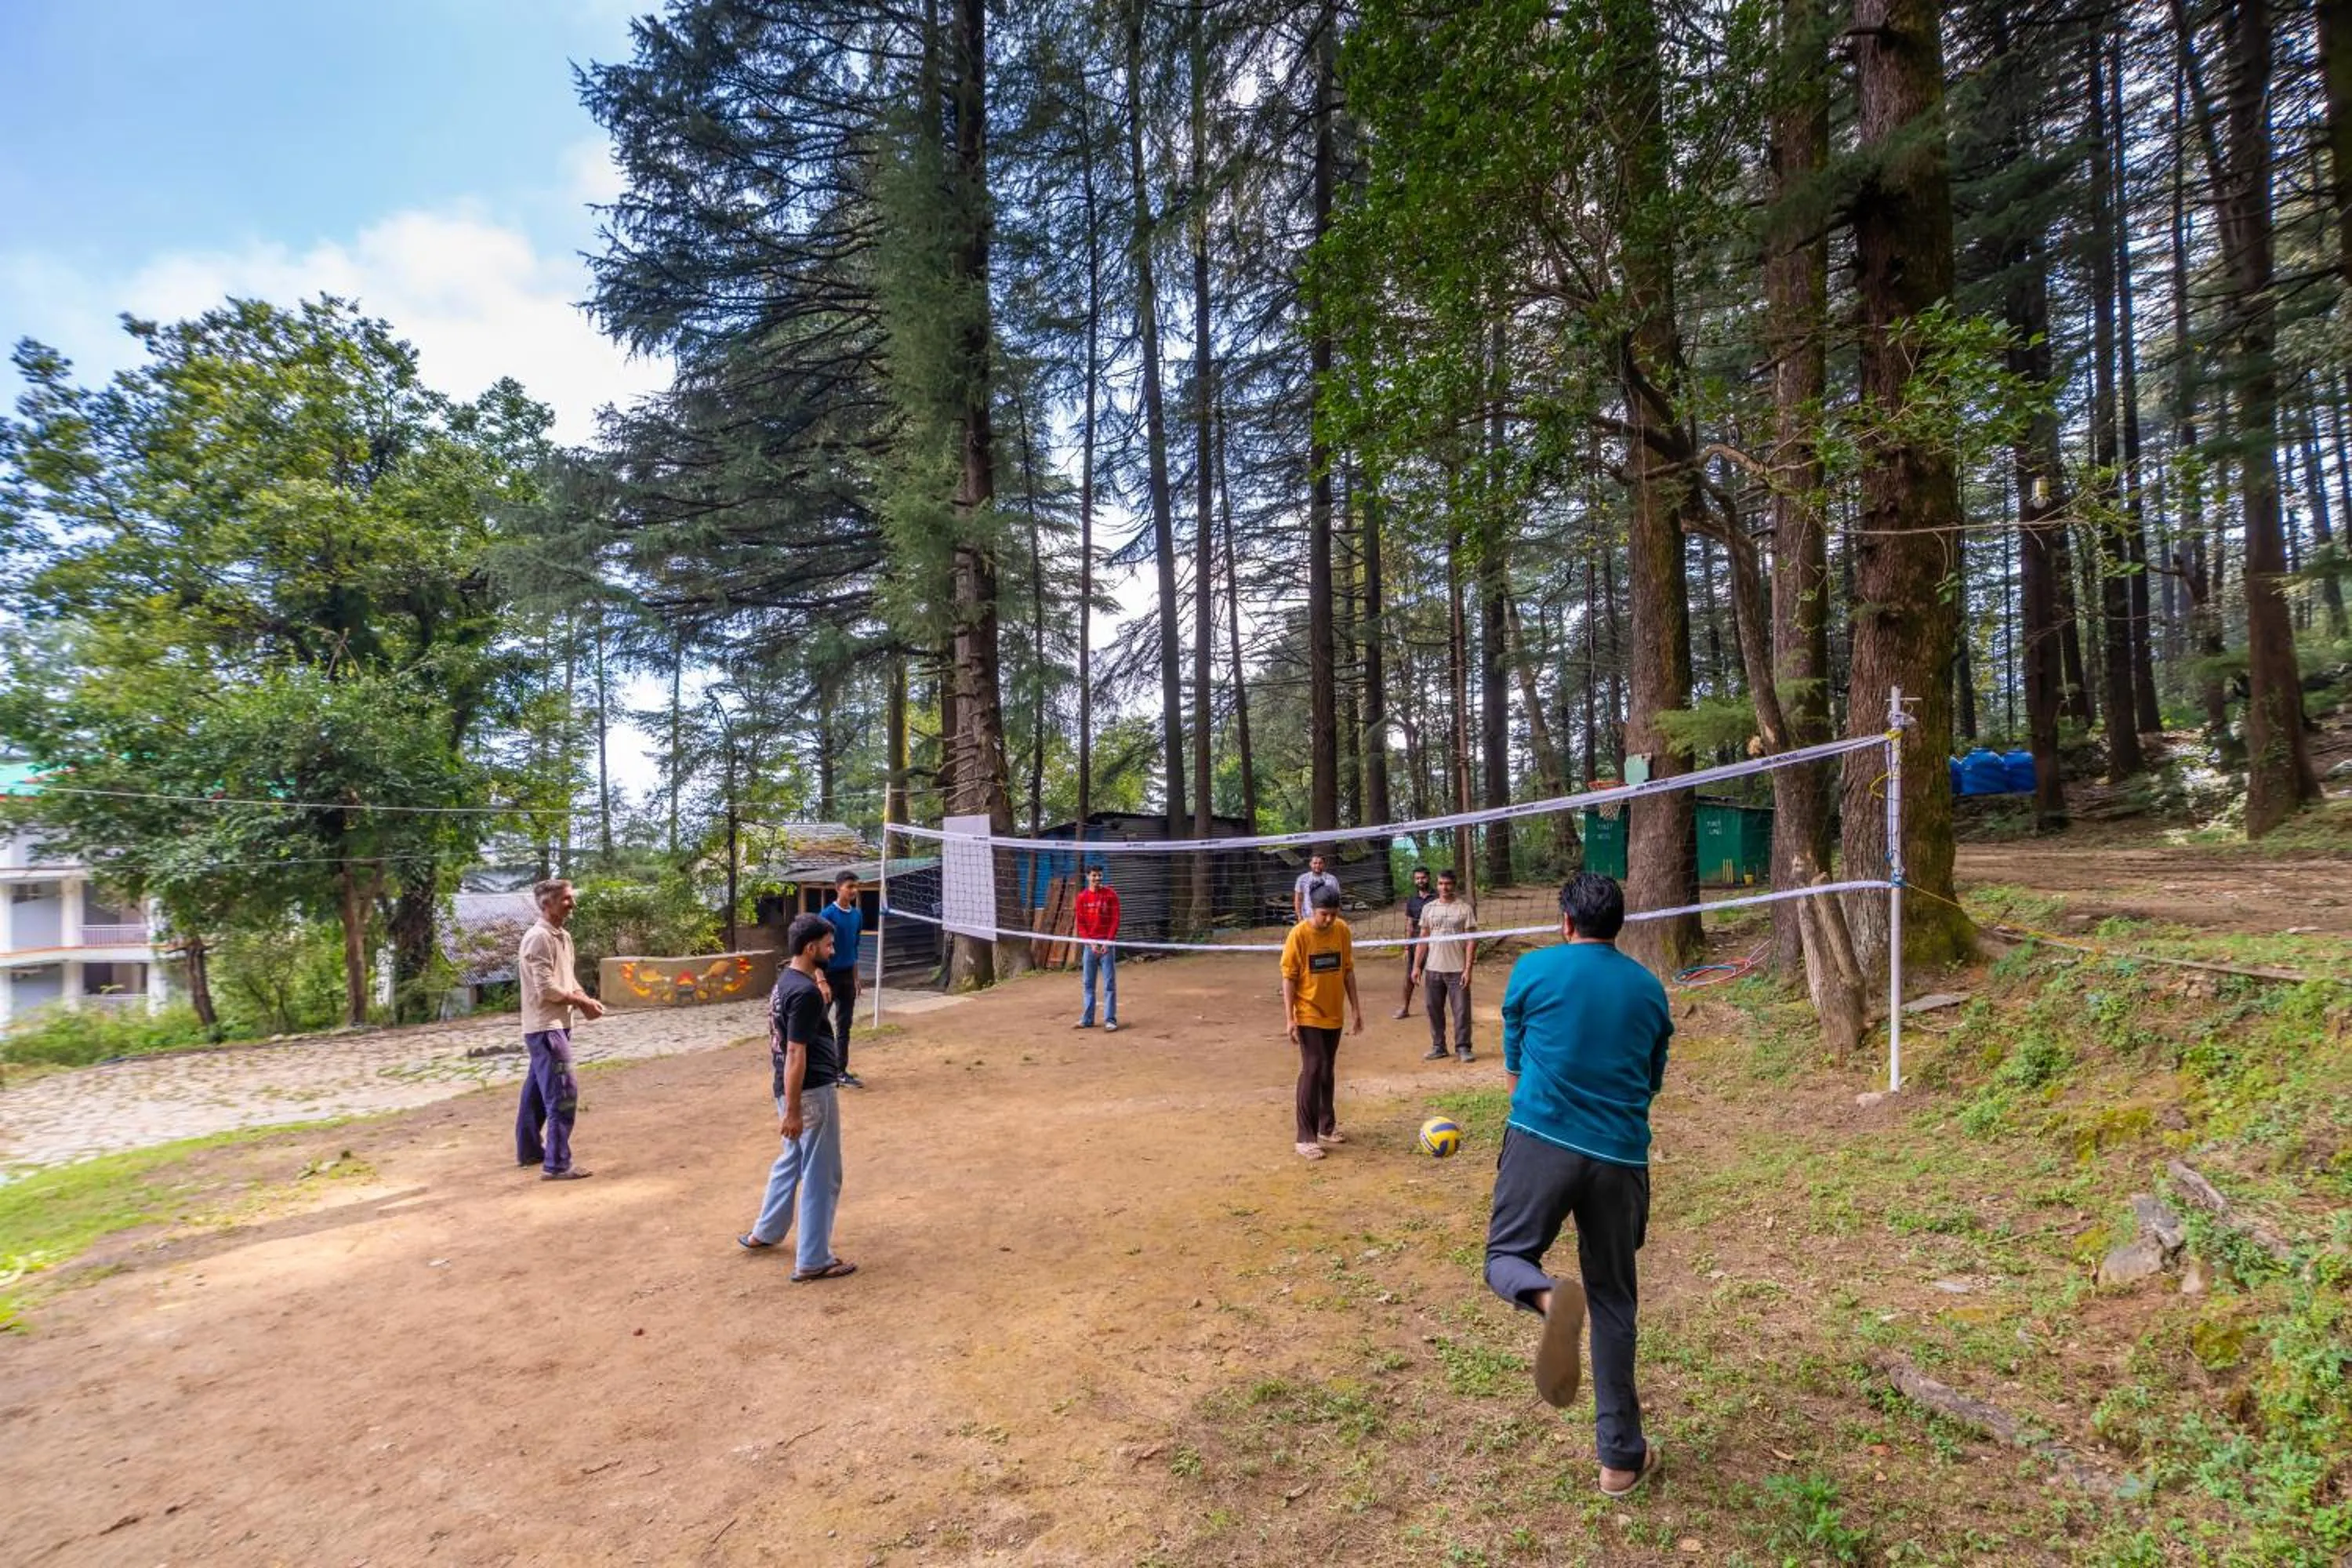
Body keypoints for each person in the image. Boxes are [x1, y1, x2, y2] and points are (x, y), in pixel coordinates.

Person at [1483, 873, 1673, 1497]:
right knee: (1614, 1300)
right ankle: (1620, 1461)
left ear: (1566, 921)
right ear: (1618, 925)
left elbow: (1513, 1071)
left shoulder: (1533, 973)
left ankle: (1543, 1298)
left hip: (1542, 1140)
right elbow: (1649, 1084)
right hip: (1618, 1158)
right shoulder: (1649, 992)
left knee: (1506, 1256)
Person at [737, 913, 855, 1280]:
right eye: (829, 945)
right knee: (822, 1174)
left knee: (792, 1159)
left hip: (792, 1090)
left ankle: (766, 1231)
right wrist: (792, 1111)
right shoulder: (803, 994)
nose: (833, 951)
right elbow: (795, 1053)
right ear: (811, 948)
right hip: (809, 1093)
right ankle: (813, 1259)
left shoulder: (788, 980)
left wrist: (819, 981)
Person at [516, 877, 605, 1181]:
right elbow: (546, 989)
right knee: (563, 1093)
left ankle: (529, 1151)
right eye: (566, 899)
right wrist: (581, 1004)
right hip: (546, 1028)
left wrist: (585, 999)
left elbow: (566, 979)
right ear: (547, 904)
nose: (573, 903)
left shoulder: (563, 936)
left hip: (555, 1026)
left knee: (538, 1093)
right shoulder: (538, 938)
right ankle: (556, 1165)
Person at [1279, 883, 1364, 1160]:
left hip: (1333, 1013)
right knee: (1313, 1068)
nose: (1328, 920)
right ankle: (1305, 1137)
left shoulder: (1342, 930)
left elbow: (1348, 972)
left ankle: (1327, 1126)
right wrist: (1290, 1017)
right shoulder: (1299, 935)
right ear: (1311, 911)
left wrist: (1356, 1010)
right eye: (1323, 914)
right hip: (1307, 1013)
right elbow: (1289, 977)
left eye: (1333, 914)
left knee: (1328, 1069)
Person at [1414, 868, 1479, 1062]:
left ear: (1454, 885)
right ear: (1437, 885)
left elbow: (1471, 941)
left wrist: (1468, 969)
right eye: (1441, 884)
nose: (1444, 887)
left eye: (1448, 884)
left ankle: (1463, 1048)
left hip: (1457, 969)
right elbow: (1423, 938)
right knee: (1433, 1009)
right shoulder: (1429, 908)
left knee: (1461, 1011)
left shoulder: (1464, 908)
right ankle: (1439, 1046)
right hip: (1433, 968)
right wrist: (1417, 966)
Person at [816, 871, 865, 1088]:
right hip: (829, 976)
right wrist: (820, 980)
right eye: (849, 887)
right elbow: (817, 950)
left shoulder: (857, 916)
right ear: (838, 889)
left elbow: (854, 948)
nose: (853, 891)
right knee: (819, 1025)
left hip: (847, 976)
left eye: (856, 887)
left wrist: (856, 978)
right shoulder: (827, 915)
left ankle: (840, 1071)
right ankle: (817, 1071)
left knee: (844, 1025)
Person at [1072, 862, 1121, 1033]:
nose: (1097, 878)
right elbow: (1081, 924)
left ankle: (1110, 1020)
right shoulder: (1082, 898)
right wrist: (1090, 943)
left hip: (1107, 945)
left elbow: (1115, 920)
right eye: (1094, 875)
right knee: (1088, 984)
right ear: (1088, 877)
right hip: (1090, 946)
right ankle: (1087, 1019)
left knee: (1109, 983)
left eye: (1100, 875)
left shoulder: (1111, 895)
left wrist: (1108, 942)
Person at [1394, 866, 1435, 1019]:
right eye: (1417, 878)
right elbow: (1409, 923)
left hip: (1434, 939)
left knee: (1434, 976)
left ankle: (1434, 1010)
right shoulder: (1412, 899)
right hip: (1416, 940)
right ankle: (1404, 1008)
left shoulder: (1436, 897)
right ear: (1414, 880)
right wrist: (1407, 945)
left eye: (1423, 878)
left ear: (1428, 878)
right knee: (1410, 975)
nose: (1420, 881)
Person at [1291, 851, 1342, 922]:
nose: (1317, 865)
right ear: (1310, 864)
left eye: (1320, 863)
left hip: (1327, 919)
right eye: (1315, 863)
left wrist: (1336, 916)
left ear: (1324, 864)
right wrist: (1299, 916)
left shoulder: (1332, 880)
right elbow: (1298, 899)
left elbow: (1337, 900)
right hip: (1307, 918)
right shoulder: (1302, 879)